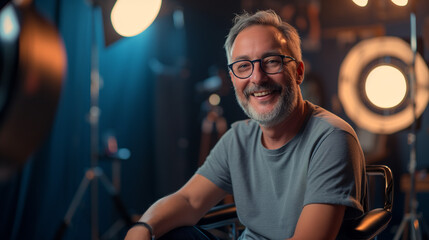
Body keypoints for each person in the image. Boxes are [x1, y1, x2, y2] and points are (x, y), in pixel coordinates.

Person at [125, 9, 366, 240]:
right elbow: (188, 201)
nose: (257, 78)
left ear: (298, 72)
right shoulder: (238, 138)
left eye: (271, 61)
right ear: (233, 79)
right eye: (243, 66)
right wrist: (143, 227)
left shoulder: (332, 137)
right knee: (167, 232)